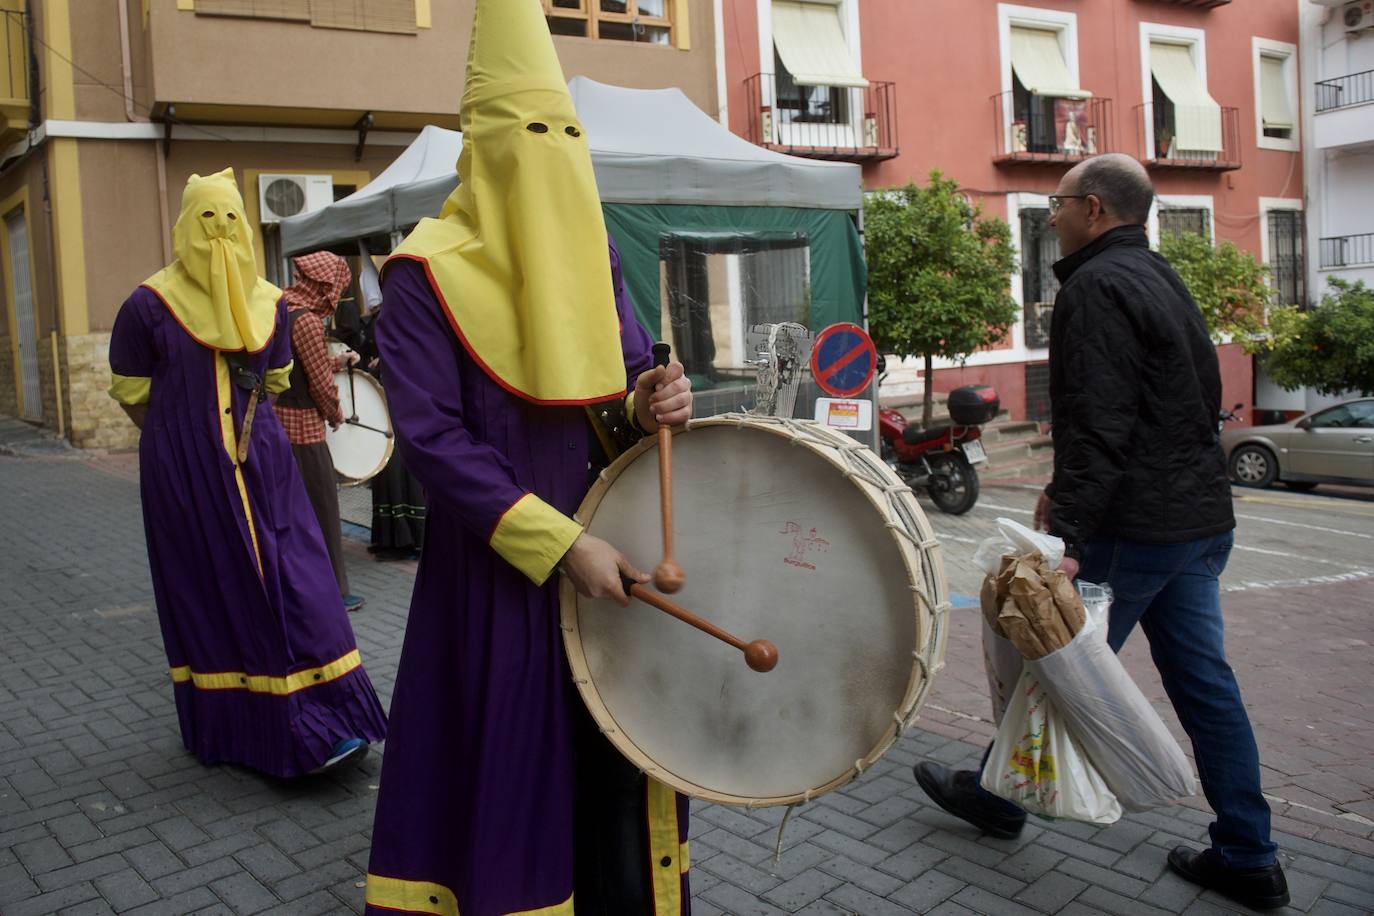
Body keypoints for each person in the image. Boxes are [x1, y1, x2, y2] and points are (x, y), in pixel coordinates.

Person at [362, 2, 694, 913]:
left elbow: (623, 377)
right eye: (528, 131)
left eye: (566, 132)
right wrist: (557, 546)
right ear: (479, 146)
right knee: (517, 769)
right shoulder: (422, 274)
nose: (550, 148)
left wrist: (654, 397)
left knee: (623, 766)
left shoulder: (599, 254)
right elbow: (431, 439)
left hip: (614, 547)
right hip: (500, 570)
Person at [912, 153, 1289, 911]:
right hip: (1198, 520)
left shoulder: (1094, 288)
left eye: (1056, 205)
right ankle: (1249, 852)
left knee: (1059, 664)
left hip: (1134, 526)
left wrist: (1072, 524)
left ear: (1091, 208)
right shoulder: (1161, 276)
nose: (1050, 218)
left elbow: (1099, 419)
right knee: (1204, 688)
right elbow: (1197, 397)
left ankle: (1000, 797)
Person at [107, 169, 387, 778]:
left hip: (264, 461)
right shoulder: (147, 304)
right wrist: (181, 445)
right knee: (211, 584)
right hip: (183, 472)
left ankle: (325, 713)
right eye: (207, 218)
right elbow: (132, 392)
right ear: (185, 225)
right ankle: (246, 730)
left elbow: (279, 380)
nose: (221, 232)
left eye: (231, 218)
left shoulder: (270, 303)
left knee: (299, 575)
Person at [276, 251, 366, 612]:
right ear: (326, 285)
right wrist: (337, 414)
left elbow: (296, 363)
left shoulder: (281, 306)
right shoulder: (308, 321)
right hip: (305, 432)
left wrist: (337, 361)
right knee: (323, 511)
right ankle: (334, 592)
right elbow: (319, 385)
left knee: (291, 513)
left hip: (277, 421)